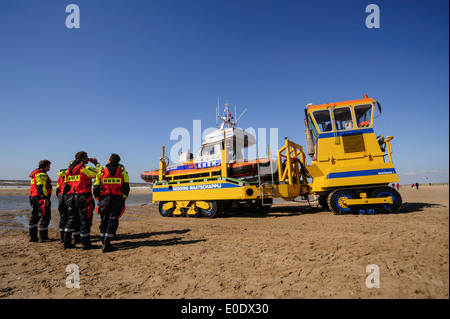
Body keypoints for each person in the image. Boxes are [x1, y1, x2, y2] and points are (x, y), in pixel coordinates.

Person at [63, 151, 101, 250]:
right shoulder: (84, 168)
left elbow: (66, 185)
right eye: (87, 157)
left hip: (71, 196)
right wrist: (96, 163)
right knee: (85, 220)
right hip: (83, 197)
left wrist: (66, 198)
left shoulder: (68, 170)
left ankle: (66, 243)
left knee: (71, 220)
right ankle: (85, 244)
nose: (88, 159)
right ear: (83, 158)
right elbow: (100, 173)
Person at [94, 154, 130, 253]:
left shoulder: (101, 173)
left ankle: (103, 243)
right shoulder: (123, 173)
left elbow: (96, 187)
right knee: (112, 220)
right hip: (117, 198)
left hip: (104, 198)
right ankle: (107, 244)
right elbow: (126, 189)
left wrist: (99, 198)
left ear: (109, 161)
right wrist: (122, 198)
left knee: (103, 220)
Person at [28, 160, 52, 242]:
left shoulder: (35, 174)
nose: (50, 167)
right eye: (49, 166)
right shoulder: (41, 174)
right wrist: (45, 198)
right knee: (45, 217)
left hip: (33, 198)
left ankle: (33, 237)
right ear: (45, 166)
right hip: (40, 199)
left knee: (35, 217)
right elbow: (40, 187)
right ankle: (43, 237)